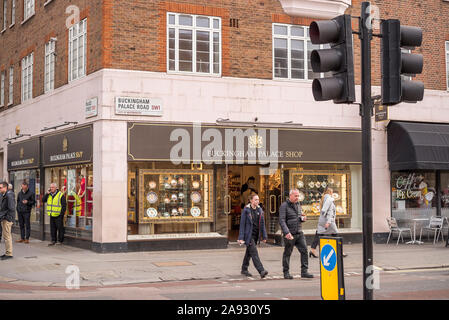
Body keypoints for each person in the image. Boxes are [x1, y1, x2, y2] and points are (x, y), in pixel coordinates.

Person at [279, 189, 313, 279]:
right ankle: (286, 272)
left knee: (304, 250)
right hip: (289, 233)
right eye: (296, 196)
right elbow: (282, 220)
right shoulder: (284, 206)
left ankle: (304, 271)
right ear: (290, 196)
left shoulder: (298, 204)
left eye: (298, 196)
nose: (297, 198)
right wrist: (286, 232)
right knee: (287, 253)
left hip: (299, 232)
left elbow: (298, 217)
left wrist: (302, 219)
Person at [309, 187, 347, 258]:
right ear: (330, 192)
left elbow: (323, 210)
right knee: (336, 234)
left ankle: (312, 249)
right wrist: (329, 222)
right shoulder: (329, 199)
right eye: (332, 192)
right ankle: (340, 251)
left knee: (319, 233)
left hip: (322, 220)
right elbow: (329, 212)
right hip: (328, 221)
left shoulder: (324, 198)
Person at [238, 193, 269, 279]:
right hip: (249, 236)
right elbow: (242, 224)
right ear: (251, 200)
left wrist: (264, 236)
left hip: (256, 235)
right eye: (255, 200)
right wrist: (240, 238)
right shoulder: (246, 210)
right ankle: (261, 270)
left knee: (249, 253)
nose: (257, 201)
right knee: (254, 253)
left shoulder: (260, 210)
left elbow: (262, 224)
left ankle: (244, 269)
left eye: (258, 200)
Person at [0, 181, 16, 260]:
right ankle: (7, 252)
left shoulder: (9, 195)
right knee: (6, 236)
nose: (0, 189)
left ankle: (9, 254)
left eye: (0, 187)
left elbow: (11, 208)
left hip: (7, 219)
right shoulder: (4, 195)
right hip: (4, 218)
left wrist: (5, 217)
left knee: (7, 237)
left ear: (5, 188)